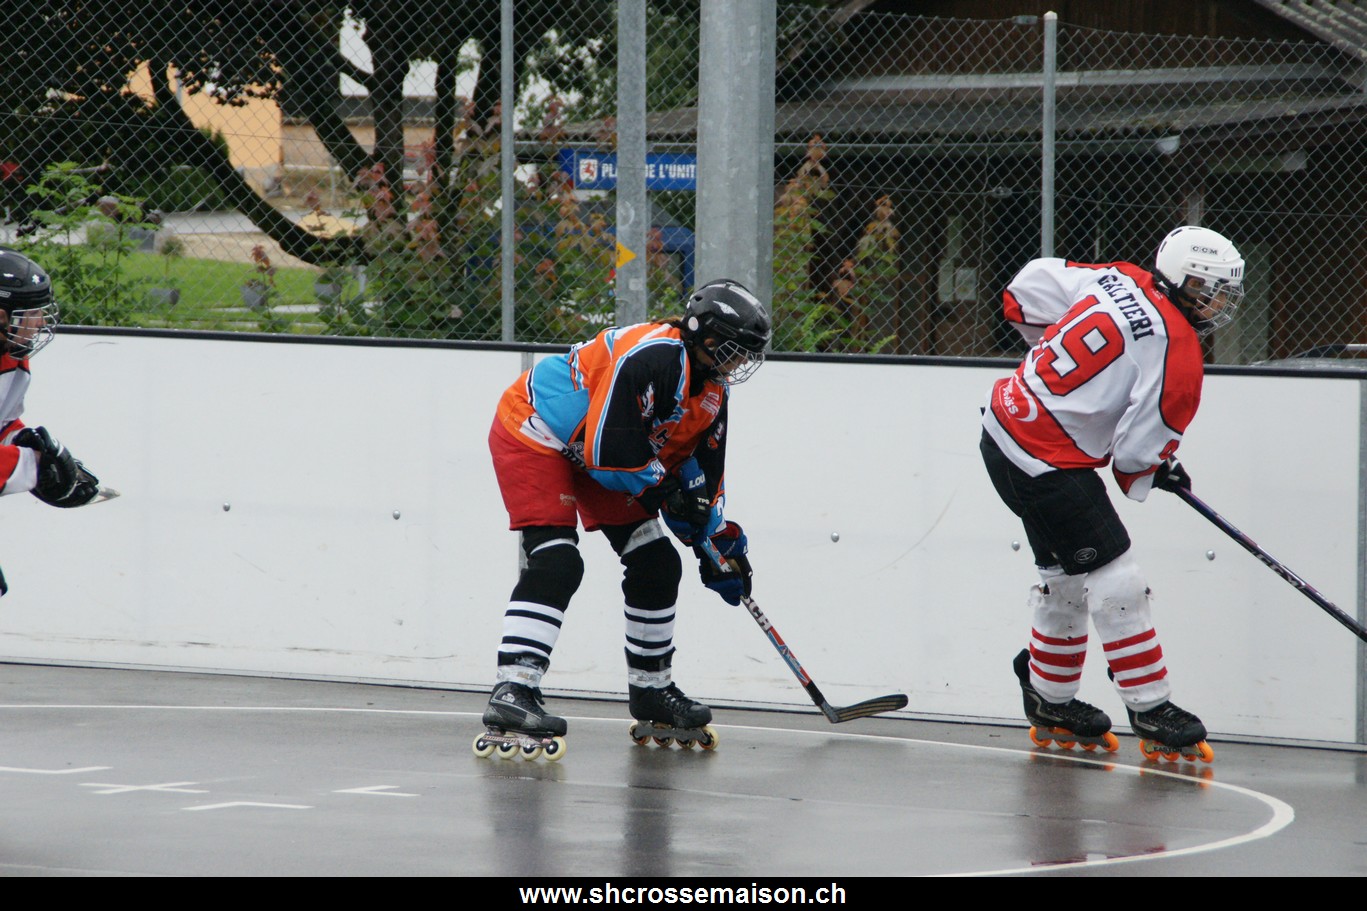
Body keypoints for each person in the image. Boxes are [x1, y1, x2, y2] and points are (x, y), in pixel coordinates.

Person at [980, 226, 1246, 759]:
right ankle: (1151, 707)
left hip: (1001, 430)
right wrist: (1157, 468)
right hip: (1044, 460)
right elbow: (1133, 458)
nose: (1219, 303)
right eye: (1212, 289)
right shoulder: (1178, 349)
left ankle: (1050, 697)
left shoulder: (1121, 276)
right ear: (1185, 281)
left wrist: (1052, 359)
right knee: (1117, 579)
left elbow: (1025, 291)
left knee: (1065, 579)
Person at [481, 278, 771, 749]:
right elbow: (609, 451)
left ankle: (652, 690)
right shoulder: (651, 356)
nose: (741, 363)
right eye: (736, 349)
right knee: (557, 560)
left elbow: (703, 478)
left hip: (601, 453)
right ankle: (513, 689)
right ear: (707, 337)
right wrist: (666, 491)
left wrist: (717, 544)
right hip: (537, 431)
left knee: (657, 562)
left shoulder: (713, 393)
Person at [0, 249, 105, 595]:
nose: (40, 323)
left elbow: (4, 423)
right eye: (30, 314)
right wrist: (34, 467)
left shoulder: (11, 358)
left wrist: (25, 442)